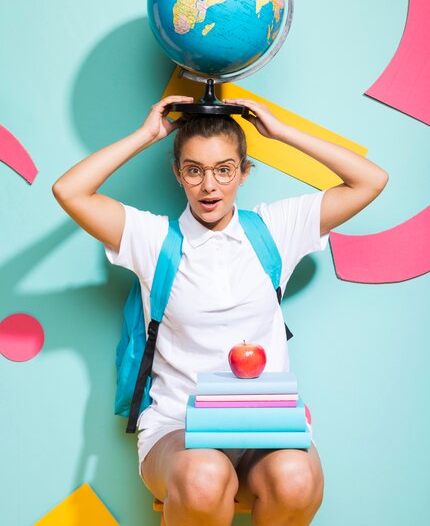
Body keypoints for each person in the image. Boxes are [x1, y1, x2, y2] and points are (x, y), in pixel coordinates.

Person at [52, 94, 388, 526]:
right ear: (178, 173)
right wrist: (146, 135)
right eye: (194, 170)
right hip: (179, 431)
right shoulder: (152, 239)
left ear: (244, 172)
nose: (210, 186)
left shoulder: (275, 229)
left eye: (224, 170)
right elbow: (69, 190)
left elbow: (371, 181)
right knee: (205, 477)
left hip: (266, 430)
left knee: (296, 480)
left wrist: (280, 132)